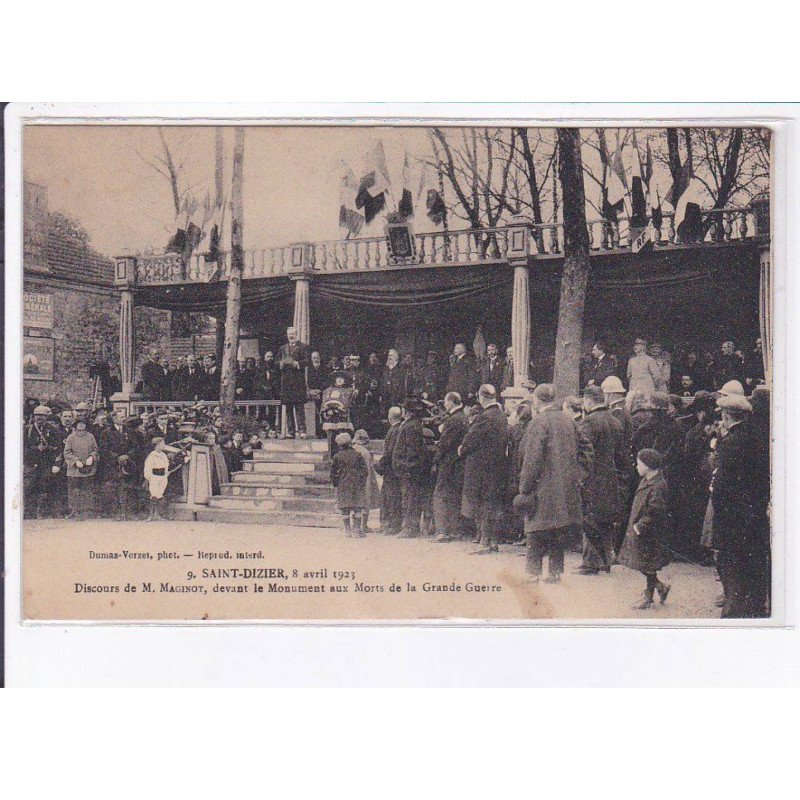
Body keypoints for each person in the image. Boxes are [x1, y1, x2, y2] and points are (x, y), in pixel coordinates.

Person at [517, 384, 584, 583]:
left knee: (536, 529)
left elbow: (532, 459)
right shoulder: (568, 421)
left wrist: (525, 487)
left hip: (543, 486)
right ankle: (555, 572)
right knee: (557, 529)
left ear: (537, 400)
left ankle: (533, 573)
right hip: (564, 487)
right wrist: (578, 475)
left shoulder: (538, 422)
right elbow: (586, 448)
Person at [711, 393, 770, 618]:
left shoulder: (731, 442)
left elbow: (723, 485)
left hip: (733, 514)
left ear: (726, 416)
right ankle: (756, 607)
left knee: (733, 561)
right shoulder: (757, 435)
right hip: (754, 510)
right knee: (753, 559)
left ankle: (734, 610)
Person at [574, 385, 628, 575]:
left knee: (590, 519)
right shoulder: (615, 422)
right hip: (611, 479)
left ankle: (590, 562)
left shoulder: (588, 422)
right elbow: (621, 455)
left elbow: (583, 453)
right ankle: (606, 559)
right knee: (605, 520)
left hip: (592, 479)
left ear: (588, 401)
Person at [617, 448, 673, 610]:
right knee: (645, 564)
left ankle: (648, 598)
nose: (636, 466)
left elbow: (655, 510)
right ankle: (660, 588)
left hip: (649, 533)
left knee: (646, 564)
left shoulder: (657, 486)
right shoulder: (648, 480)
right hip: (643, 531)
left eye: (639, 463)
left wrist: (640, 526)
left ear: (648, 466)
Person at [459, 384, 509, 554]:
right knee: (493, 503)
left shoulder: (484, 417)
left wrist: (462, 449)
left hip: (481, 469)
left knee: (483, 503)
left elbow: (471, 439)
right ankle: (493, 540)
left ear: (482, 397)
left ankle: (485, 541)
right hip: (498, 466)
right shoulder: (502, 416)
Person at [432, 392, 468, 543]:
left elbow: (445, 444)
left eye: (446, 402)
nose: (445, 405)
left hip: (448, 464)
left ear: (452, 402)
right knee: (454, 497)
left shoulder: (453, 420)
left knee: (440, 496)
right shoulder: (464, 418)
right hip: (459, 463)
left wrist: (435, 460)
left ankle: (442, 531)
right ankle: (454, 530)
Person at [392, 398, 428, 538]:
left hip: (409, 470)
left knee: (410, 499)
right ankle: (409, 527)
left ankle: (410, 528)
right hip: (406, 469)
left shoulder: (410, 426)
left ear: (406, 412)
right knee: (408, 498)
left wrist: (407, 467)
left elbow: (413, 450)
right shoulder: (410, 425)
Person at [24, 405, 61, 518]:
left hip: (46, 462)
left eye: (42, 415)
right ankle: (29, 512)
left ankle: (41, 512)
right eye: (37, 415)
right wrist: (35, 448)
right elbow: (23, 447)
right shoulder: (28, 429)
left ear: (46, 417)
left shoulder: (52, 429)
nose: (39, 418)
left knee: (44, 486)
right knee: (29, 486)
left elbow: (57, 447)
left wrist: (47, 448)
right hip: (32, 462)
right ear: (34, 417)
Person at [330, 432, 368, 538]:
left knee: (345, 508)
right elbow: (365, 471)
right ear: (350, 443)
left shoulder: (337, 456)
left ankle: (347, 530)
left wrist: (336, 483)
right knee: (357, 508)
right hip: (357, 485)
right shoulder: (357, 454)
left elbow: (333, 473)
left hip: (343, 484)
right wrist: (361, 481)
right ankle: (357, 530)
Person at [63, 416, 99, 520]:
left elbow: (95, 449)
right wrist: (75, 461)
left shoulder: (91, 437)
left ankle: (86, 511)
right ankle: (74, 510)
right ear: (76, 425)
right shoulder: (71, 437)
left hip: (88, 467)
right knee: (74, 490)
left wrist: (91, 457)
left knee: (87, 489)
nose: (81, 425)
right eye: (79, 423)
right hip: (74, 469)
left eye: (83, 423)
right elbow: (67, 452)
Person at [375, 406, 403, 536]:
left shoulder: (394, 431)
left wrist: (380, 464)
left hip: (391, 470)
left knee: (391, 498)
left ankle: (393, 525)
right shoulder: (399, 429)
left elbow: (389, 452)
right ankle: (388, 525)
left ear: (390, 417)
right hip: (393, 469)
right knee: (388, 497)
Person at [278, 326, 310, 439]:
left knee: (299, 406)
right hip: (286, 382)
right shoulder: (283, 348)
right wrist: (281, 364)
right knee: (288, 407)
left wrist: (297, 363)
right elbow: (278, 361)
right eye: (289, 334)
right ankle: (290, 431)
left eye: (293, 334)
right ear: (287, 335)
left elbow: (307, 361)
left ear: (297, 335)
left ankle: (302, 430)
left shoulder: (303, 347)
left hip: (297, 381)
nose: (291, 336)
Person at [352, 429, 380, 533]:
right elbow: (369, 468)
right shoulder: (365, 452)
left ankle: (355, 526)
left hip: (354, 479)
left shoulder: (352, 449)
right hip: (365, 479)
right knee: (365, 502)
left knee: (355, 503)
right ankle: (363, 525)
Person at [143, 437, 173, 521]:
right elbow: (148, 468)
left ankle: (157, 514)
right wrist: (149, 477)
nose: (164, 445)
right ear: (157, 445)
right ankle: (151, 515)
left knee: (160, 495)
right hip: (154, 477)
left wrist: (165, 474)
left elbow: (166, 465)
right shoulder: (152, 455)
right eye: (162, 444)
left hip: (162, 477)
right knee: (154, 495)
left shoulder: (163, 455)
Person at [626, 338, 659, 406]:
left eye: (637, 345)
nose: (634, 347)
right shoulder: (631, 360)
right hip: (634, 389)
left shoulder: (650, 360)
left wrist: (649, 385)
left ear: (643, 347)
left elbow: (656, 376)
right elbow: (629, 376)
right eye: (635, 345)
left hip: (647, 390)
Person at [255, 350, 281, 433]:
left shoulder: (276, 369)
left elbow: (278, 379)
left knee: (272, 412)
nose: (270, 358)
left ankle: (272, 428)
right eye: (268, 357)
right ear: (264, 358)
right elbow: (256, 381)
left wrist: (272, 386)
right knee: (261, 411)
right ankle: (262, 429)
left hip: (272, 393)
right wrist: (263, 387)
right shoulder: (260, 368)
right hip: (262, 394)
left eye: (271, 357)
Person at [305, 350, 328, 437]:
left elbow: (327, 382)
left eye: (317, 357)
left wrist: (320, 390)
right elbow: (306, 382)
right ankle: (315, 433)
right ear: (311, 359)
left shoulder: (324, 369)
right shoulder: (308, 370)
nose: (316, 359)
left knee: (323, 413)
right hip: (312, 394)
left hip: (322, 394)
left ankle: (323, 433)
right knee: (313, 413)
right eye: (314, 358)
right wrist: (311, 390)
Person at [382, 349, 408, 415]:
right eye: (388, 355)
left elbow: (402, 385)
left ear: (396, 357)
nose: (389, 357)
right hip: (386, 398)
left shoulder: (401, 369)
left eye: (391, 355)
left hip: (396, 398)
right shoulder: (386, 369)